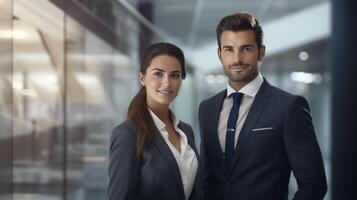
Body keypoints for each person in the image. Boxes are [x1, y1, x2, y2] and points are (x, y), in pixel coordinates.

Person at [199, 12, 327, 200]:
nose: (237, 59)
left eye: (246, 49)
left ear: (261, 52)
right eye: (229, 49)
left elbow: (314, 185)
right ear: (219, 54)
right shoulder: (207, 108)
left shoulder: (289, 107)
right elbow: (206, 177)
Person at [108, 42, 201, 200]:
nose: (167, 83)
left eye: (175, 75)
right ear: (142, 78)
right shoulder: (127, 134)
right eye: (158, 74)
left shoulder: (186, 131)